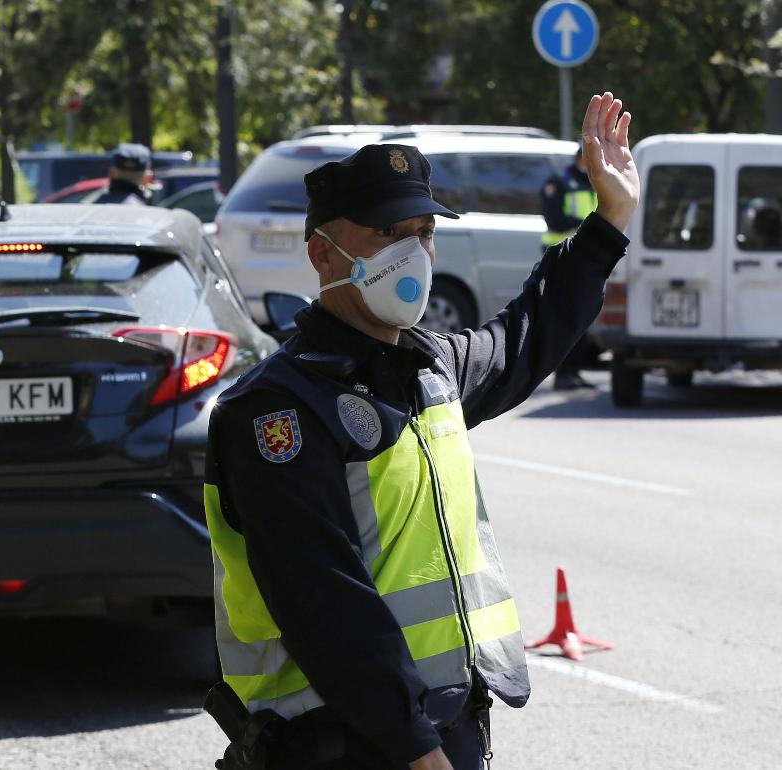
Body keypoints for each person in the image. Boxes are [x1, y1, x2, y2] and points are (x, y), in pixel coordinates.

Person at [202, 93, 638, 769]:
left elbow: (528, 333)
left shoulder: (430, 367)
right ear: (323, 255)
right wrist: (417, 749)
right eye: (388, 235)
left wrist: (609, 222)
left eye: (425, 232)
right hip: (346, 743)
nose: (414, 253)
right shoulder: (277, 411)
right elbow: (324, 601)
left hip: (438, 728)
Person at [540, 147, 598, 390]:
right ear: (580, 158)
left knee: (581, 315)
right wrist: (586, 224)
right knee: (563, 316)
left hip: (585, 256)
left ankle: (574, 371)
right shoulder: (559, 183)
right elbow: (554, 220)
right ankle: (562, 374)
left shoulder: (592, 183)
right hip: (560, 255)